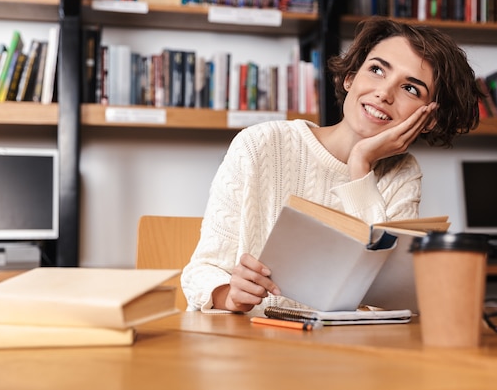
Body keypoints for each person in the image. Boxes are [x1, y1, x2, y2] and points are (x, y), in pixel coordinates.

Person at [181, 17, 481, 313]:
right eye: (376, 70)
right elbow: (201, 272)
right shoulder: (261, 143)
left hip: (342, 352)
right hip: (255, 344)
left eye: (411, 89)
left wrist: (360, 165)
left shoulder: (402, 173)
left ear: (427, 120)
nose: (384, 93)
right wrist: (229, 295)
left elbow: (387, 303)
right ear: (350, 77)